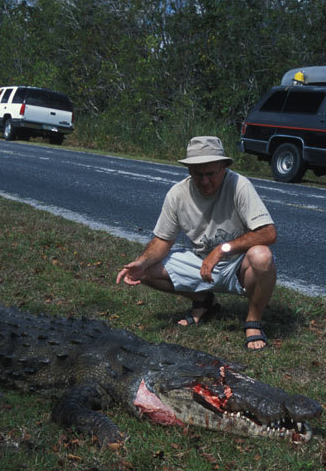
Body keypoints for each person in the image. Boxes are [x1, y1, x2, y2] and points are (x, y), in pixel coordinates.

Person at [116, 136, 277, 351]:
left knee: (262, 256)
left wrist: (222, 249)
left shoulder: (239, 185)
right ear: (189, 170)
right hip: (200, 262)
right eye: (197, 174)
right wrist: (141, 261)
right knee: (144, 269)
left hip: (237, 264)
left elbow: (268, 232)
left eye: (211, 174)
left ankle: (253, 321)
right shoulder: (177, 193)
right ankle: (203, 301)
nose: (204, 181)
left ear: (223, 167)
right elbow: (163, 240)